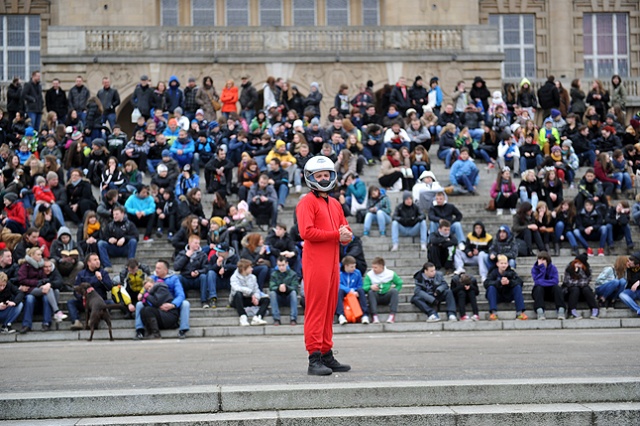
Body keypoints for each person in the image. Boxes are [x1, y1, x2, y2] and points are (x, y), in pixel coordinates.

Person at [297, 155, 352, 375]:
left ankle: (326, 353)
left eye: (326, 175)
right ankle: (314, 358)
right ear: (311, 178)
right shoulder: (306, 202)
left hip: (332, 261)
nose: (323, 178)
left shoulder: (336, 203)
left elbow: (345, 230)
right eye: (318, 176)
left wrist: (347, 235)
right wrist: (336, 235)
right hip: (315, 262)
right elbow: (306, 232)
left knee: (329, 308)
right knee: (316, 309)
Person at [134, 260, 190, 340]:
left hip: (171, 304)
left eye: (159, 268)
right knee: (139, 304)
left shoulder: (174, 279)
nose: (156, 270)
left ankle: (183, 330)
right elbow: (145, 289)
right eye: (156, 268)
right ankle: (140, 330)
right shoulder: (152, 278)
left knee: (185, 303)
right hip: (156, 304)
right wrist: (141, 293)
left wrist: (173, 304)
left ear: (166, 270)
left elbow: (180, 295)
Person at [68, 253, 113, 331]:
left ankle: (93, 320)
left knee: (111, 303)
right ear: (89, 262)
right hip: (85, 302)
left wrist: (101, 279)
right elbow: (76, 289)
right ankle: (76, 321)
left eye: (98, 259)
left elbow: (109, 287)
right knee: (71, 302)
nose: (98, 261)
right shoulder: (81, 274)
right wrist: (81, 297)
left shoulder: (103, 273)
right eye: (95, 260)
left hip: (98, 303)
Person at [174, 234, 217, 309]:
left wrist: (198, 272)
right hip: (186, 278)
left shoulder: (202, 254)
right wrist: (186, 256)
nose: (198, 245)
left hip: (197, 279)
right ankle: (181, 298)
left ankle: (204, 301)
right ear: (190, 243)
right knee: (178, 278)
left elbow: (206, 267)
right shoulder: (182, 253)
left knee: (203, 276)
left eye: (199, 243)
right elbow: (176, 267)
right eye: (195, 243)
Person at [484, 254, 527, 321]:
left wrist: (509, 282)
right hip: (497, 295)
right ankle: (493, 313)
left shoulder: (511, 272)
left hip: (508, 295)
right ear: (497, 264)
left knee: (517, 287)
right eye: (501, 263)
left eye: (505, 263)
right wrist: (499, 282)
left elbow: (520, 282)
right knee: (491, 288)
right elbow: (486, 283)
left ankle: (520, 312)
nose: (503, 265)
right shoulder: (493, 272)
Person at [97, 206, 139, 270]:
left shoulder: (130, 224)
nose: (114, 216)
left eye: (117, 214)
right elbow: (103, 237)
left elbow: (136, 236)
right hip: (113, 248)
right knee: (101, 243)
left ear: (122, 214)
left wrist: (124, 238)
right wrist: (109, 239)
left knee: (133, 241)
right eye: (113, 214)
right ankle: (107, 266)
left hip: (125, 248)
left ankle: (130, 265)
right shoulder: (110, 225)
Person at [230, 259, 269, 326]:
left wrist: (256, 298)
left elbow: (256, 290)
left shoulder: (253, 277)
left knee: (266, 299)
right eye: (250, 267)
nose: (252, 269)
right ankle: (243, 316)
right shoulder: (234, 277)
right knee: (238, 294)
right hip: (237, 300)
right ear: (244, 269)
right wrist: (251, 293)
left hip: (249, 298)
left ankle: (258, 317)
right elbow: (236, 288)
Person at [363, 256, 402, 324]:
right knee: (371, 292)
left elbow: (399, 283)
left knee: (394, 291)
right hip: (375, 297)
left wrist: (396, 289)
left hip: (386, 296)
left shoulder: (390, 273)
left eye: (376, 267)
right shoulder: (369, 275)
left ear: (382, 267)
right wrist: (370, 287)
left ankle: (392, 315)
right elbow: (364, 287)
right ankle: (374, 316)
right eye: (373, 267)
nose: (373, 269)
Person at [562, 254, 599, 319]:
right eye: (576, 262)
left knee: (586, 289)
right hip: (570, 292)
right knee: (575, 289)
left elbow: (586, 281)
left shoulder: (587, 269)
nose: (577, 264)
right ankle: (571, 311)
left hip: (583, 292)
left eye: (579, 263)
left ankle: (594, 308)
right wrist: (579, 282)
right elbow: (568, 282)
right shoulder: (569, 267)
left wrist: (580, 272)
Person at [531, 252, 566, 320]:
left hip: (551, 292)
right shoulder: (534, 269)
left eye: (544, 259)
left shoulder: (553, 268)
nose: (541, 261)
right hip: (539, 293)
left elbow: (555, 281)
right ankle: (540, 311)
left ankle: (561, 310)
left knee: (557, 288)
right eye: (540, 259)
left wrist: (543, 282)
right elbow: (537, 282)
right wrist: (542, 270)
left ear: (547, 260)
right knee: (538, 288)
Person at [335, 255, 369, 325]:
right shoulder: (339, 273)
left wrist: (354, 291)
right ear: (346, 266)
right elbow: (338, 284)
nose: (354, 268)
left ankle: (364, 315)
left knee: (361, 290)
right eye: (352, 267)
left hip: (354, 290)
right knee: (339, 291)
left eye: (354, 266)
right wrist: (349, 290)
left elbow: (359, 285)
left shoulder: (357, 273)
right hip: (344, 291)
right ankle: (341, 315)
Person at [269, 256, 300, 326]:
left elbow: (295, 287)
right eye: (279, 265)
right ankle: (276, 319)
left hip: (289, 298)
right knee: (272, 293)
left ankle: (293, 318)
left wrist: (286, 288)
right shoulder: (274, 274)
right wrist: (278, 288)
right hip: (278, 298)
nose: (281, 267)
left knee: (293, 293)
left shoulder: (293, 274)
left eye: (283, 265)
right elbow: (271, 287)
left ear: (287, 264)